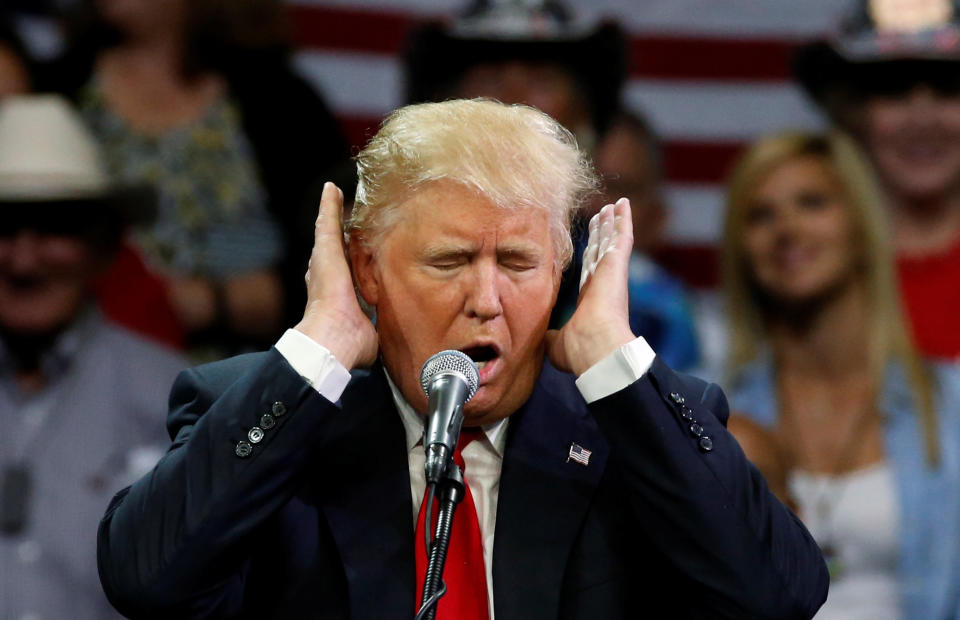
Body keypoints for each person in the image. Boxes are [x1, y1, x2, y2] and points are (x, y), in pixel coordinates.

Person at [96, 98, 826, 618]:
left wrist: (611, 354)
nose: (487, 299)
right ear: (368, 267)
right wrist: (318, 348)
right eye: (448, 262)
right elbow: (146, 583)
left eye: (518, 261)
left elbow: (778, 596)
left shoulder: (639, 430)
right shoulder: (262, 413)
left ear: (564, 271)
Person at [722, 131, 960, 619]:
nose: (786, 228)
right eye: (760, 215)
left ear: (860, 224)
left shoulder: (952, 407)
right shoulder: (711, 415)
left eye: (812, 203)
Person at [42, 0, 351, 356]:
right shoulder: (55, 90)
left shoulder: (282, 101)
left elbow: (344, 248)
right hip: (83, 374)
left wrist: (210, 301)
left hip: (253, 381)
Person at [0, 94, 187, 619]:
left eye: (54, 228)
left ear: (103, 245)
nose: (23, 258)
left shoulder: (172, 397)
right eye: (4, 228)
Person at [794, 0, 960, 361]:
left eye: (949, 89)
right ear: (850, 111)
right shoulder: (799, 262)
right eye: (893, 90)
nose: (923, 119)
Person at [592, 108, 701, 371]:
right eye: (579, 185)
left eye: (618, 188)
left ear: (657, 218)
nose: (593, 205)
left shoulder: (666, 317)